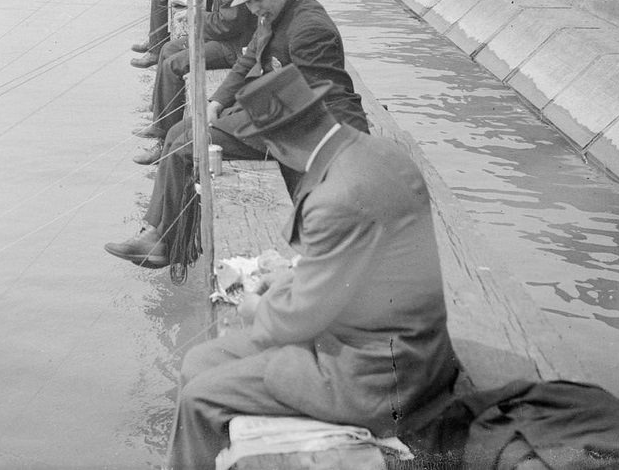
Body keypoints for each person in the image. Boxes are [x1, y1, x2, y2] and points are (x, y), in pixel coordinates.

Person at [166, 65, 459, 470]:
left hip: (373, 377)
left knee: (201, 397)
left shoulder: (337, 196)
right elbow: (354, 271)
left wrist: (253, 308)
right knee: (200, 362)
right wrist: (290, 278)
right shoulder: (377, 153)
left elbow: (298, 320)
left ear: (278, 145)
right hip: (404, 350)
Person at [106, 0, 368, 270]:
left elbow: (314, 100)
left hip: (316, 127)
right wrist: (218, 102)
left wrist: (243, 111)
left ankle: (162, 240)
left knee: (188, 143)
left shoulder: (309, 28)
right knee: (180, 132)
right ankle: (156, 234)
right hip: (282, 108)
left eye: (258, 0)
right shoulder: (276, 10)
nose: (255, 9)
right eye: (250, 4)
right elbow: (249, 58)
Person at [132, 0, 256, 163]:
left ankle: (163, 141)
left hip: (236, 46)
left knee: (174, 64)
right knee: (168, 49)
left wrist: (195, 16)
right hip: (226, 36)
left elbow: (228, 25)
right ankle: (161, 122)